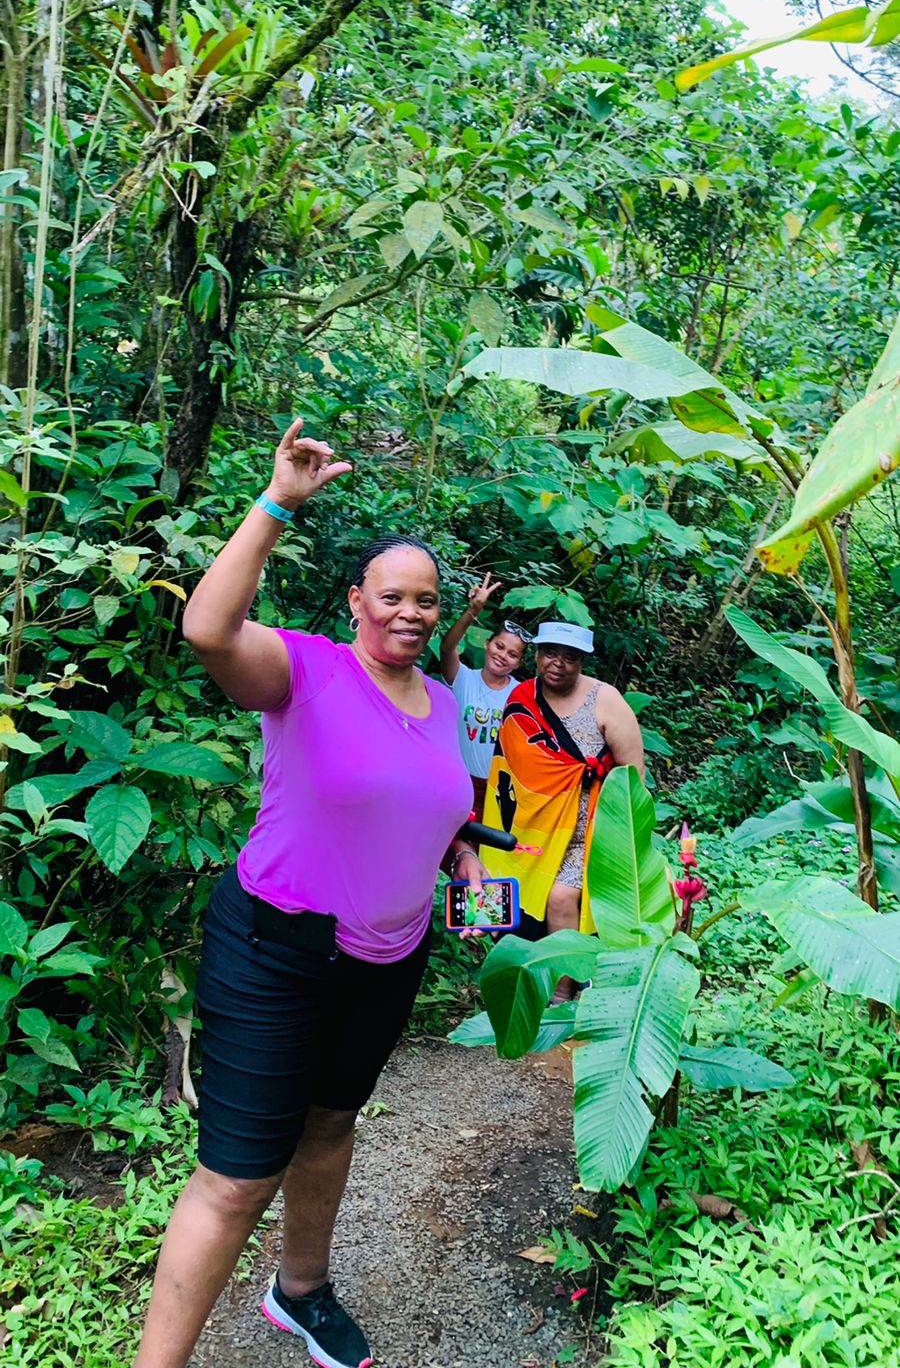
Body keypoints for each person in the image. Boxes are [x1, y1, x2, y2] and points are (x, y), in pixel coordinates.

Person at [133, 419, 488, 1368]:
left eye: (427, 600)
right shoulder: (308, 669)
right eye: (393, 597)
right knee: (236, 1178)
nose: (412, 613)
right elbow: (206, 628)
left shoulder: (446, 704)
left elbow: (428, 803)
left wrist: (462, 859)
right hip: (274, 952)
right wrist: (277, 504)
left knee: (331, 1127)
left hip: (388, 956)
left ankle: (301, 1293)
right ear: (357, 602)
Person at [482, 620, 644, 996]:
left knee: (559, 898)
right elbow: (507, 766)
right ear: (537, 655)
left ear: (582, 661)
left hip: (587, 832)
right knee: (516, 894)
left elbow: (633, 773)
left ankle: (564, 989)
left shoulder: (606, 700)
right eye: (550, 653)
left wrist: (621, 829)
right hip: (530, 826)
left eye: (569, 657)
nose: (558, 663)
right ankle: (519, 981)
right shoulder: (522, 697)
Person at [439, 572, 530, 818]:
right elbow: (447, 648)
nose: (503, 655)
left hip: (498, 790)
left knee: (483, 853)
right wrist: (473, 611)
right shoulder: (463, 679)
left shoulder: (521, 694)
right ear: (487, 643)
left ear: (519, 663)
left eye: (512, 654)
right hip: (456, 783)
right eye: (499, 646)